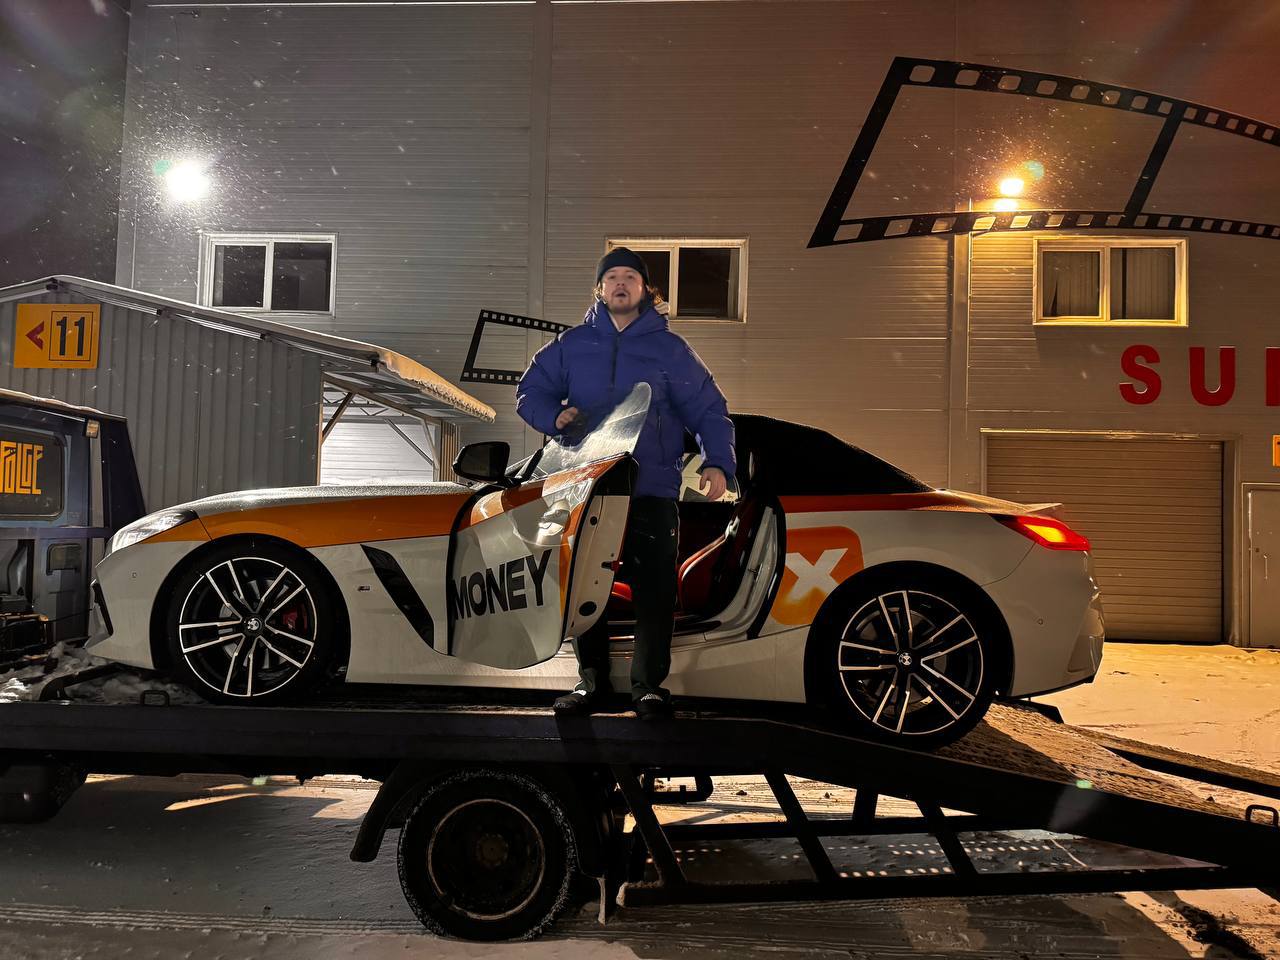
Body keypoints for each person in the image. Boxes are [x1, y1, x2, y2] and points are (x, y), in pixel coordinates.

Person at [516, 247, 736, 719]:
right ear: (600, 288)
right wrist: (554, 416)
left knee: (654, 588)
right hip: (587, 487)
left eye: (630, 277)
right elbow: (530, 391)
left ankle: (648, 687)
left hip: (650, 488)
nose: (620, 283)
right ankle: (590, 682)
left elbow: (708, 409)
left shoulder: (670, 350)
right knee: (583, 585)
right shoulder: (571, 345)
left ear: (644, 289)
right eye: (612, 276)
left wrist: (717, 462)